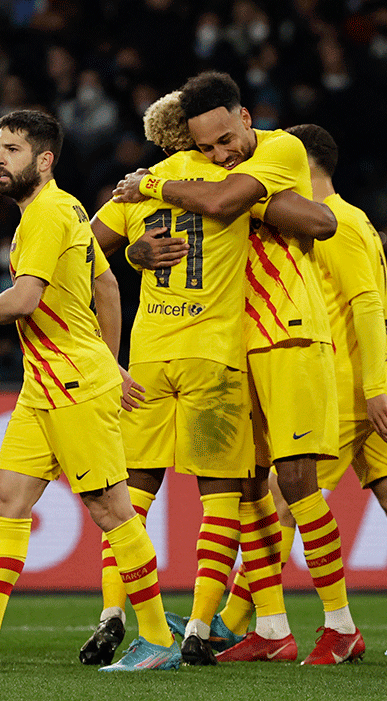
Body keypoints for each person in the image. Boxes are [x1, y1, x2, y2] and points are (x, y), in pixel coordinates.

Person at [0, 110, 179, 673]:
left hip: (73, 386)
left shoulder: (48, 213)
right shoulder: (70, 208)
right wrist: (111, 359)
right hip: (45, 387)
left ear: (44, 159)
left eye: (11, 149)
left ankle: (157, 640)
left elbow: (25, 299)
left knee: (112, 511)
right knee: (7, 500)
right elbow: (106, 283)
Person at [113, 71, 362, 665]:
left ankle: (341, 624)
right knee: (248, 489)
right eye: (207, 147)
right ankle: (273, 630)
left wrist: (152, 185)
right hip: (230, 345)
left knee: (297, 481)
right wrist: (134, 250)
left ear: (245, 118)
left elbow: (239, 204)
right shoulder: (202, 172)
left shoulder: (280, 147)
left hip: (288, 333)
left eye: (227, 139)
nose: (221, 154)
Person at [215, 123, 387, 658]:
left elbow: (367, 305)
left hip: (348, 390)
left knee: (285, 500)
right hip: (370, 386)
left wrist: (372, 387)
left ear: (300, 162)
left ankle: (234, 620)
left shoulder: (336, 223)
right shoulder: (346, 219)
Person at [80, 91, 257, 667]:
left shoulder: (139, 185)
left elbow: (78, 253)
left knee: (129, 494)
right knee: (221, 495)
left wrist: (132, 254)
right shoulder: (233, 179)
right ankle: (199, 627)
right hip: (214, 354)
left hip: (149, 353)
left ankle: (112, 614)